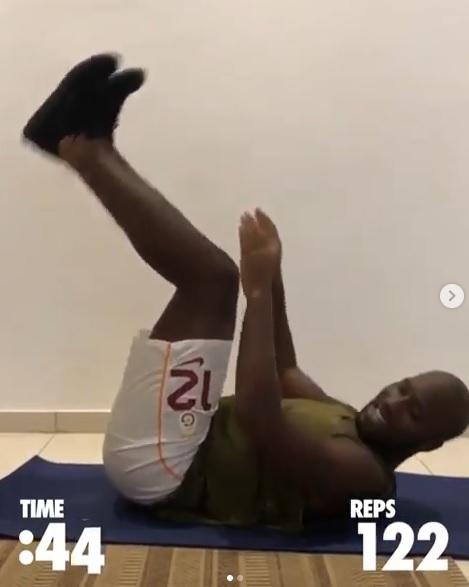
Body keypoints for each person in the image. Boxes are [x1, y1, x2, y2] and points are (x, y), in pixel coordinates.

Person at [23, 54, 469, 531]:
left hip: (166, 473)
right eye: (402, 387)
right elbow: (285, 371)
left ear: (428, 444)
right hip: (179, 444)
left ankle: (84, 147)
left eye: (412, 411)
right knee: (215, 279)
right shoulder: (343, 416)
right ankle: (85, 144)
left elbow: (261, 418)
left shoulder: (364, 474)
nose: (393, 400)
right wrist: (273, 278)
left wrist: (256, 293)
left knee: (213, 280)